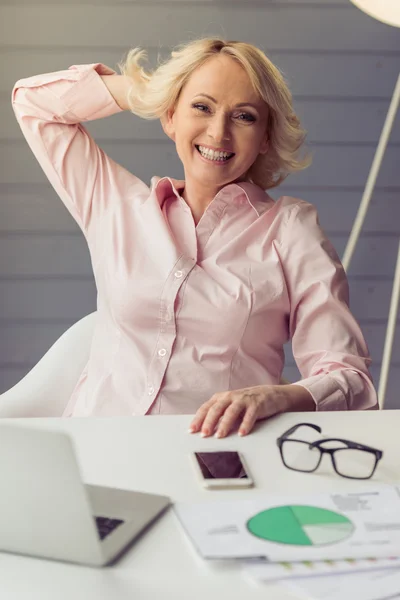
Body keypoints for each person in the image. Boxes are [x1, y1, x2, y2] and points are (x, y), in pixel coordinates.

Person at [11, 37, 378, 436]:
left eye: (244, 117)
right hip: (92, 448)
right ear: (170, 117)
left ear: (266, 138)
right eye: (201, 107)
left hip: (211, 461)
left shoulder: (291, 229)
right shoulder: (117, 205)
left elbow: (350, 380)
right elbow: (33, 105)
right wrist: (148, 92)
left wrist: (277, 397)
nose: (218, 132)